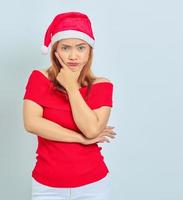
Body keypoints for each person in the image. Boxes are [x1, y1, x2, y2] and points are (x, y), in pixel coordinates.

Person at [23, 11, 117, 200]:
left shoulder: (102, 86)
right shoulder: (39, 79)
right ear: (55, 51)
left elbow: (91, 130)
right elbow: (32, 123)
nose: (73, 56)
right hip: (47, 186)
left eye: (81, 48)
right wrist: (79, 139)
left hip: (93, 185)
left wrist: (72, 88)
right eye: (66, 48)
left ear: (90, 51)